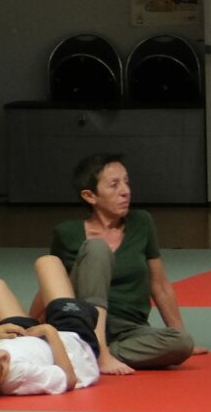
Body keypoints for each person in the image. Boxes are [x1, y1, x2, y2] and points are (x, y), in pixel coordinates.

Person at [48, 154, 198, 373]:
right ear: (90, 196)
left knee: (182, 342)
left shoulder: (141, 222)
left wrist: (179, 333)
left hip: (130, 330)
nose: (125, 191)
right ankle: (97, 349)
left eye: (126, 182)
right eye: (114, 185)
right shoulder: (67, 233)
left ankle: (92, 353)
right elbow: (52, 285)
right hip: (85, 323)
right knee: (96, 248)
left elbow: (160, 285)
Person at [0, 255, 104, 398]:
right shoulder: (19, 375)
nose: (3, 354)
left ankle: (41, 314)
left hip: (28, 338)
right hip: (72, 345)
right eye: (2, 366)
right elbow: (69, 380)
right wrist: (49, 332)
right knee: (48, 262)